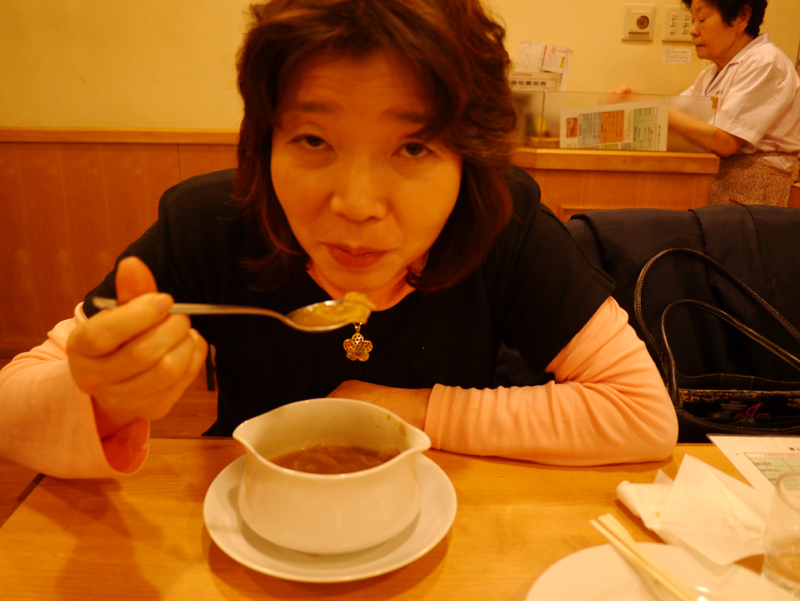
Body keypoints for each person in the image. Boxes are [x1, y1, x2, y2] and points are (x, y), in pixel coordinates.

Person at [0, 0, 677, 479]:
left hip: (443, 520)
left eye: (413, 147)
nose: (355, 205)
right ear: (265, 140)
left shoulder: (502, 222)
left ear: (468, 158)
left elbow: (642, 413)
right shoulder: (213, 221)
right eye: (313, 140)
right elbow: (12, 405)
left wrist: (417, 408)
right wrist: (103, 394)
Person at [614, 0, 800, 206]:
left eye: (702, 19)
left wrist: (652, 107)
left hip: (751, 192)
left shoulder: (766, 61)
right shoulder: (711, 73)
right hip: (714, 184)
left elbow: (725, 142)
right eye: (692, 21)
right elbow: (679, 117)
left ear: (741, 17)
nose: (693, 30)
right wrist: (634, 103)